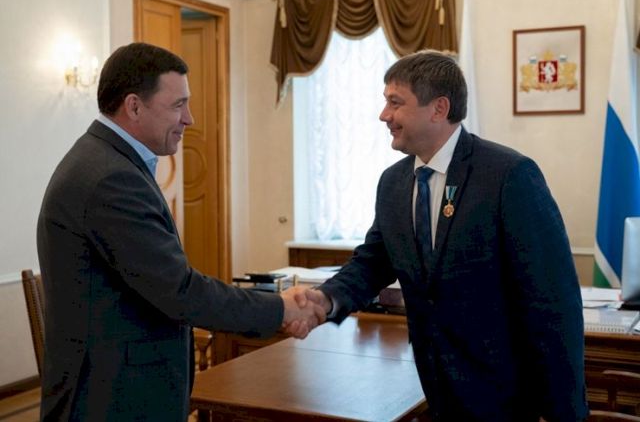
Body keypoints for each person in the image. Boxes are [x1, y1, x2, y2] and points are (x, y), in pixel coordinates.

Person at [36, 42, 324, 421]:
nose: (189, 118)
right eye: (178, 105)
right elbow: (179, 291)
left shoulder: (107, 161)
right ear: (134, 106)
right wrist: (280, 308)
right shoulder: (111, 178)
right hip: (111, 398)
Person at [295, 50, 588, 421]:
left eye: (395, 103)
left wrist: (563, 414)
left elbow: (553, 303)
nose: (384, 115)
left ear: (439, 108)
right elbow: (372, 263)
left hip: (509, 399)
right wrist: (325, 300)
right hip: (436, 389)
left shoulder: (508, 176)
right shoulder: (393, 183)